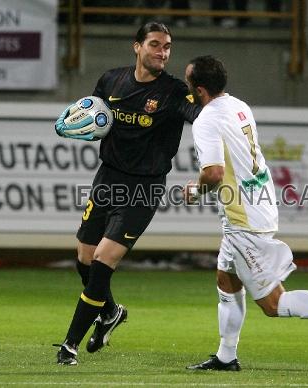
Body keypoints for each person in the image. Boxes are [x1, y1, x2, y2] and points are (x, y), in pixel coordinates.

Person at [182, 55, 308, 371]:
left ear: (199, 89)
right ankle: (225, 356)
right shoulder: (239, 105)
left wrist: (194, 190)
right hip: (257, 202)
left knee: (274, 304)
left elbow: (215, 173)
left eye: (188, 81)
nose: (186, 86)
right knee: (226, 279)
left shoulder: (206, 120)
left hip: (243, 218)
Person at [53, 21, 201, 366]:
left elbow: (202, 117)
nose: (162, 52)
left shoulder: (175, 92)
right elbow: (94, 116)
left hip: (144, 187)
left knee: (103, 261)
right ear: (137, 46)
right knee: (84, 261)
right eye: (154, 45)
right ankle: (110, 313)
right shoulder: (111, 80)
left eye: (167, 47)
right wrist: (82, 126)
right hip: (108, 180)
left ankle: (69, 346)